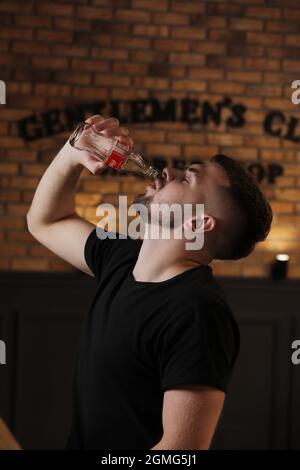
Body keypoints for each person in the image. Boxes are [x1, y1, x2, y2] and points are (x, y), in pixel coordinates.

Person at [26, 115, 273, 450]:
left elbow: (179, 453)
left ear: (197, 224)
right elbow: (45, 221)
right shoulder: (122, 259)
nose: (167, 172)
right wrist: (72, 153)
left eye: (187, 179)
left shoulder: (199, 313)